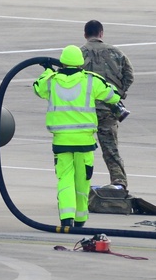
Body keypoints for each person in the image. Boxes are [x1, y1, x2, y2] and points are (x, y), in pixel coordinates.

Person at [34, 44, 122, 229]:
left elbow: (38, 88)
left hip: (62, 141)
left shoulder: (51, 80)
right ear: (81, 63)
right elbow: (112, 95)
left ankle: (66, 219)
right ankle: (81, 221)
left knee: (65, 179)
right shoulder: (91, 81)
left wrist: (48, 70)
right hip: (84, 142)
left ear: (63, 62)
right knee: (83, 181)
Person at [80, 20, 134, 190]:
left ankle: (80, 183)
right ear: (101, 33)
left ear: (85, 34)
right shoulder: (116, 53)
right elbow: (129, 75)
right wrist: (118, 94)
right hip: (108, 110)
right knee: (110, 149)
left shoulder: (78, 54)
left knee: (81, 150)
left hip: (84, 111)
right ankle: (119, 183)